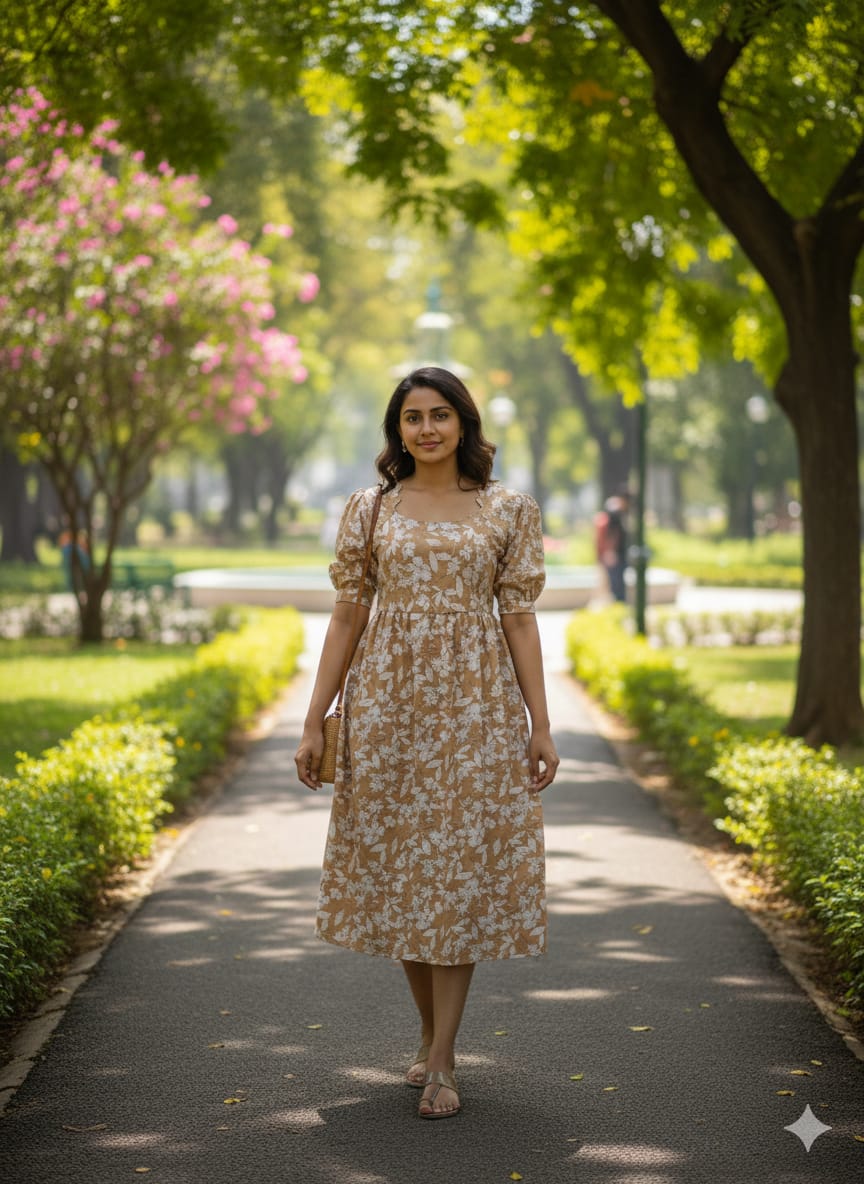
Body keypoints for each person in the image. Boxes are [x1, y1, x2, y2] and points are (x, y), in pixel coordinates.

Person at [295, 366, 559, 1121]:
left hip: (476, 709)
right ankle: (429, 1029)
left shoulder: (508, 509)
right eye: (413, 418)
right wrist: (315, 719)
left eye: (441, 415)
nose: (427, 429)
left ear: (464, 424)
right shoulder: (370, 510)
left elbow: (519, 619)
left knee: (457, 870)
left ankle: (443, 1058)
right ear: (397, 431)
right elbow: (347, 615)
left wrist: (540, 723)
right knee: (404, 871)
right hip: (386, 707)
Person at [594, 493, 629, 603]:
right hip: (614, 555)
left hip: (617, 555)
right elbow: (610, 536)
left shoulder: (614, 517)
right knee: (616, 583)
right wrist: (609, 552)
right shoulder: (611, 519)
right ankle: (618, 603)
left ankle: (619, 603)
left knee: (616, 582)